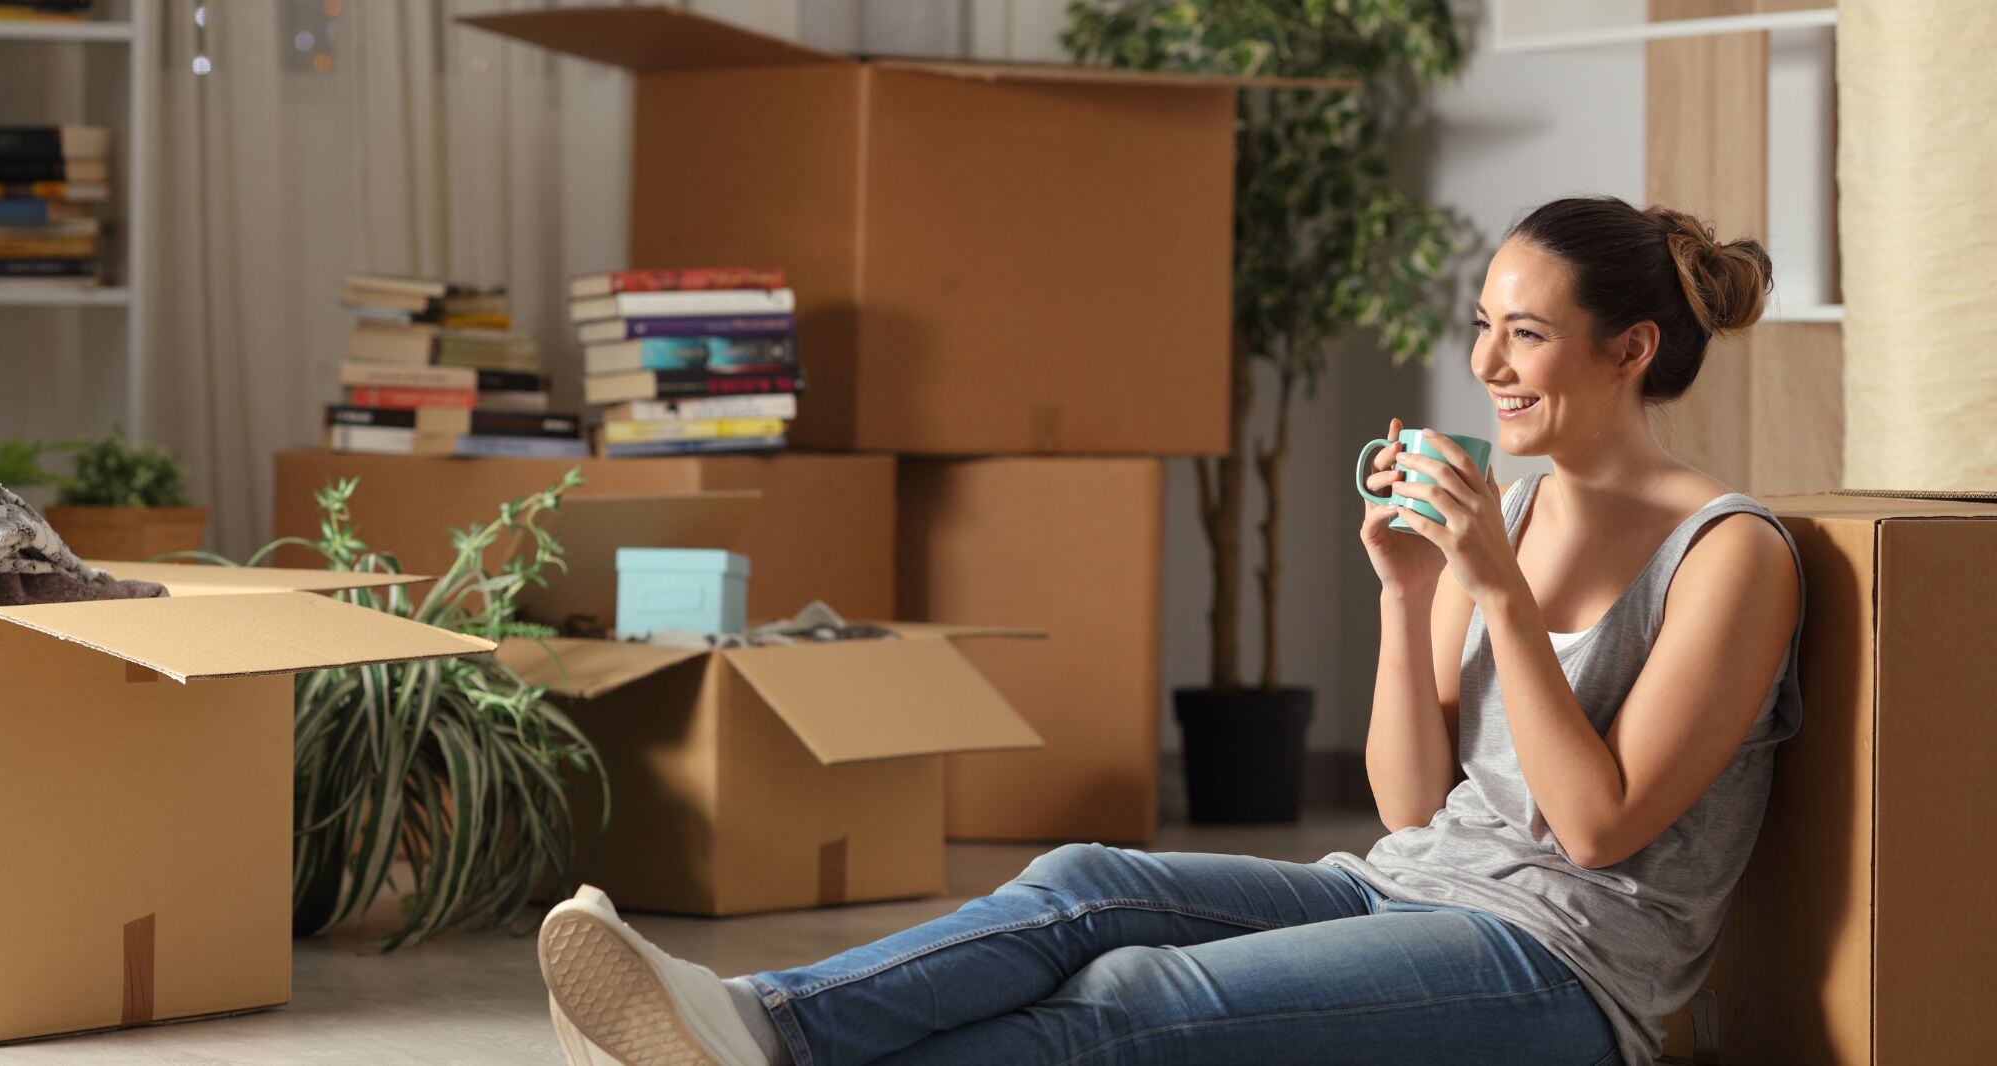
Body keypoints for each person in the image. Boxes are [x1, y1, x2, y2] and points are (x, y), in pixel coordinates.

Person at [530, 195, 1806, 1066]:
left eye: (1524, 332)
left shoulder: (1729, 553)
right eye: (1481, 322)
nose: (1485, 361)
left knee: (1127, 1007)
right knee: (1090, 882)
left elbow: (1592, 826)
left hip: (1564, 974)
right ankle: (756, 1025)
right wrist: (1405, 592)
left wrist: (1495, 594)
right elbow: (1414, 811)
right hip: (1402, 889)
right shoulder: (1513, 516)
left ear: (1629, 347)